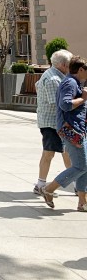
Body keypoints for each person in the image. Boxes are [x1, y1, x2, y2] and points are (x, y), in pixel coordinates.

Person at [40, 56, 87, 210]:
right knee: (80, 166)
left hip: (78, 129)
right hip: (71, 130)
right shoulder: (70, 83)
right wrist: (83, 98)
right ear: (80, 69)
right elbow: (65, 105)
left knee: (84, 166)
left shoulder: (74, 82)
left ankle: (82, 202)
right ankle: (49, 189)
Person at [34, 49, 73, 195]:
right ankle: (40, 185)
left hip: (53, 121)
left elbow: (37, 85)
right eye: (70, 65)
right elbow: (58, 104)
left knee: (66, 152)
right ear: (63, 65)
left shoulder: (53, 74)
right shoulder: (54, 80)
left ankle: (75, 184)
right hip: (51, 123)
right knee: (49, 153)